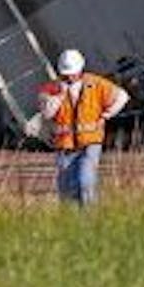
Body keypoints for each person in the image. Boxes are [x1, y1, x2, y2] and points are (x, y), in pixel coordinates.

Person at [38, 49, 129, 205]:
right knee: (67, 189)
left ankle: (90, 220)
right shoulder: (50, 88)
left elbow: (122, 96)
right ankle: (72, 222)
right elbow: (47, 113)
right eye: (65, 74)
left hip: (90, 142)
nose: (69, 77)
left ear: (80, 70)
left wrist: (107, 115)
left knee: (86, 181)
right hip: (65, 146)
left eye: (72, 73)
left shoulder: (95, 84)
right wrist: (59, 95)